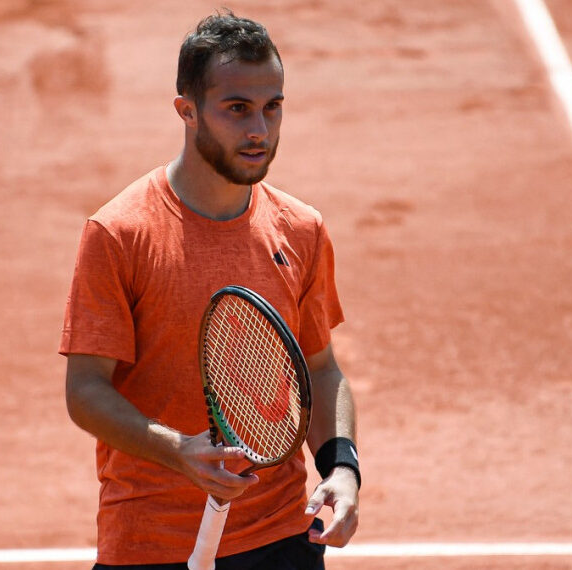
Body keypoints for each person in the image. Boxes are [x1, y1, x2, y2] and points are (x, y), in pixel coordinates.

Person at [60, 11, 360, 569]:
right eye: (237, 109)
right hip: (151, 542)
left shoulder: (301, 229)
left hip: (280, 537)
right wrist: (178, 452)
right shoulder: (120, 234)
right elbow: (85, 390)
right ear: (187, 111)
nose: (259, 132)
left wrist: (342, 468)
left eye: (273, 108)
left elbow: (320, 368)